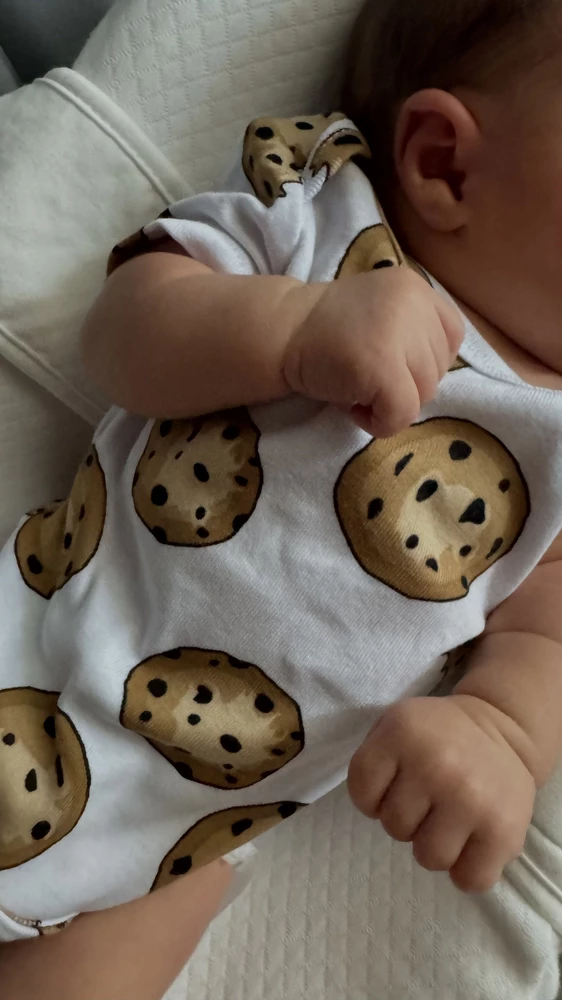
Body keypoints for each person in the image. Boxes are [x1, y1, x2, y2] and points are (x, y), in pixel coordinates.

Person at [2, 0, 562, 996]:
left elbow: (549, 634)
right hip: (30, 632)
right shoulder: (322, 219)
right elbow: (124, 332)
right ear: (443, 163)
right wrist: (293, 330)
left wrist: (500, 731)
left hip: (167, 842)